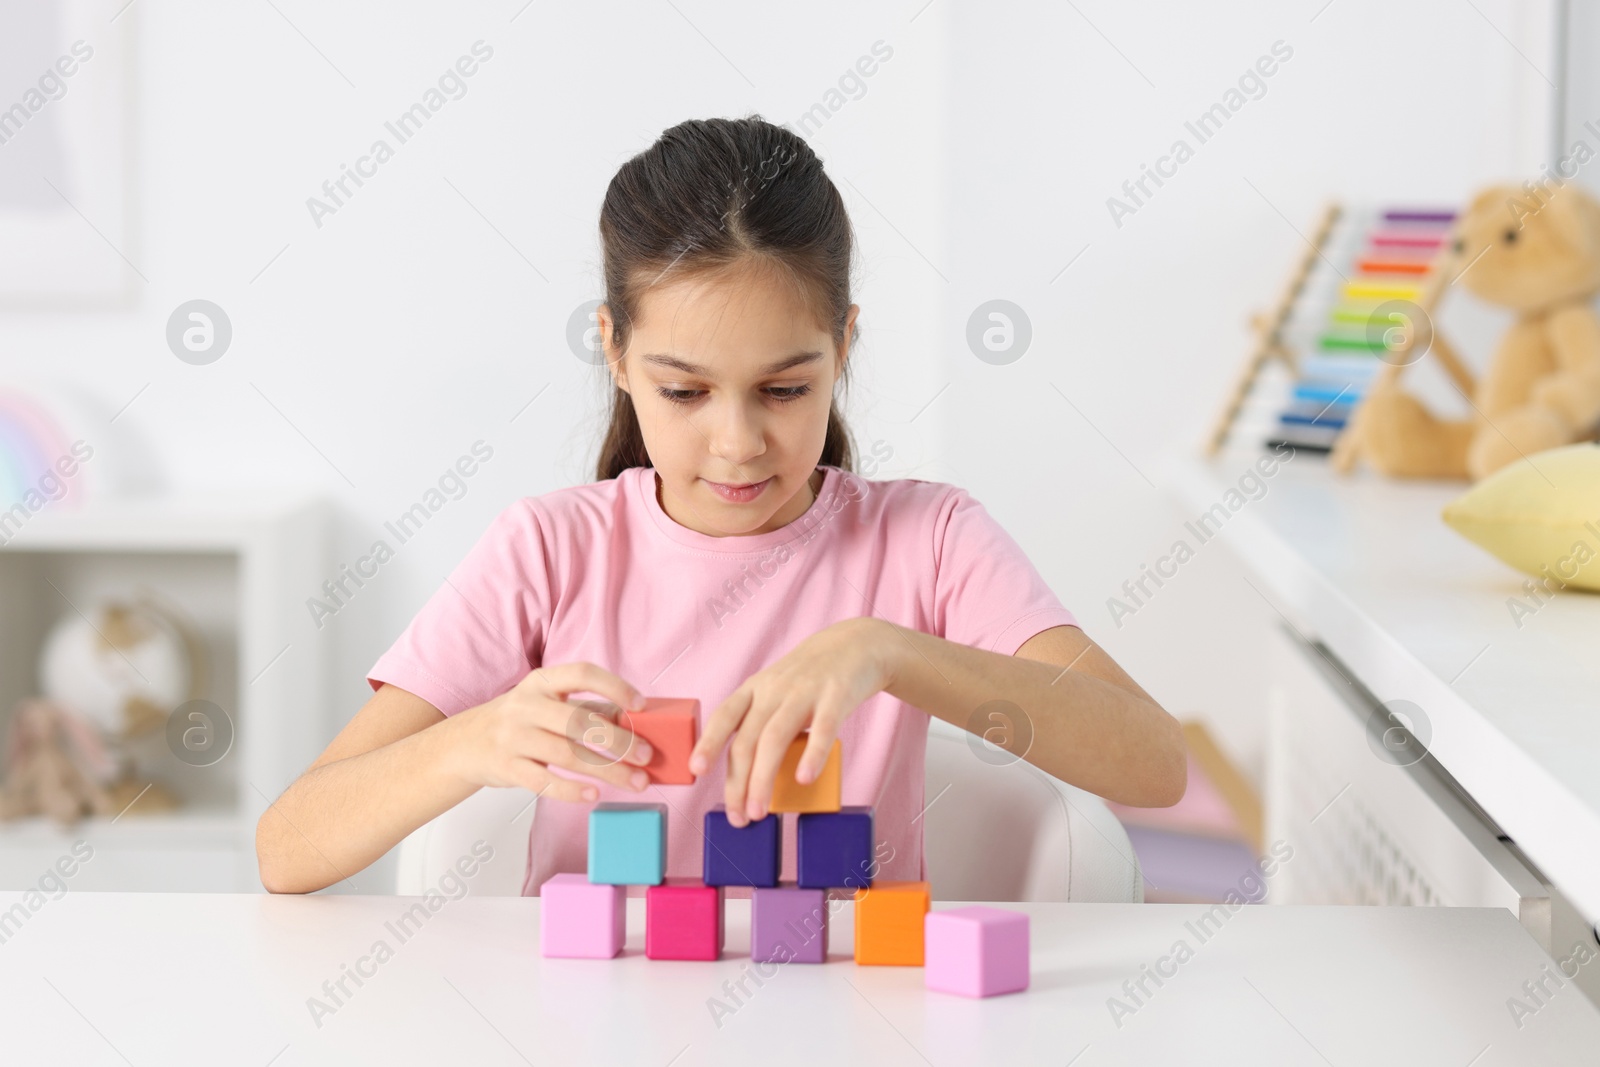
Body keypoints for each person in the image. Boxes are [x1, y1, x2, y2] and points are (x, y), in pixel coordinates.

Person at [256, 115, 1185, 896]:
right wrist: (472, 739)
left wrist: (891, 651)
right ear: (615, 352)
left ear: (844, 345)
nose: (738, 444)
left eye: (784, 390)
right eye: (685, 393)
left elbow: (1154, 761)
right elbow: (287, 849)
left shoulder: (928, 539)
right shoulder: (549, 550)